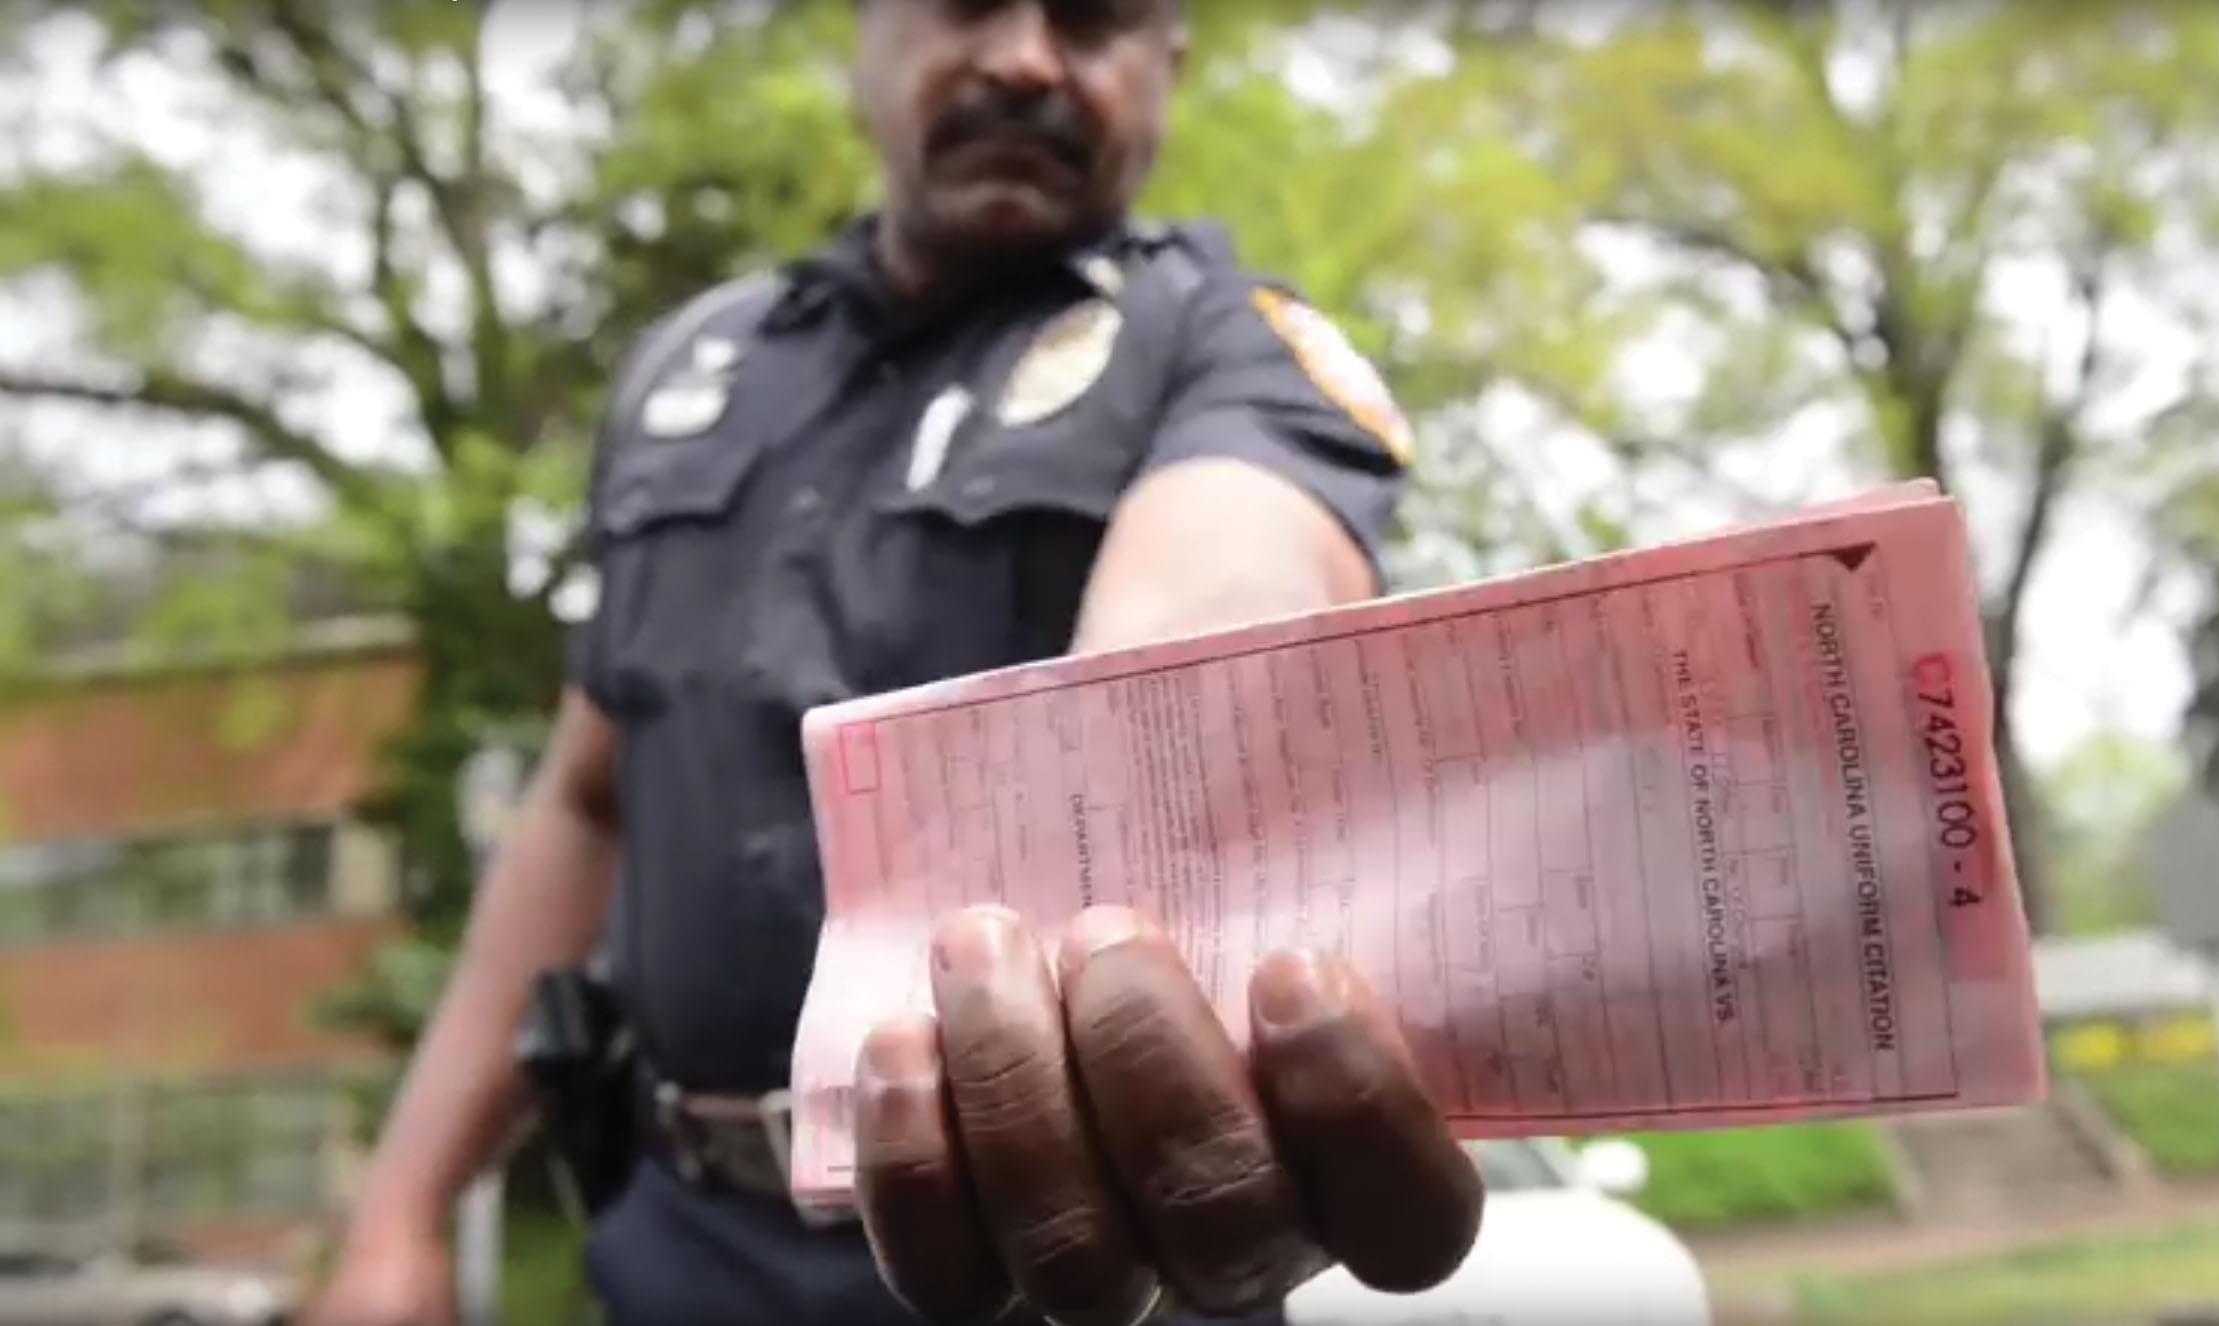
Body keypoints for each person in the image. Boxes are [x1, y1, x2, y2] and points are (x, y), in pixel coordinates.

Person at [305, 2, 1485, 1324]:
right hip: (673, 1256)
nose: (1028, 59)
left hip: (1061, 1260)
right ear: (867, 38)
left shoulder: (1230, 342)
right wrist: (399, 1219)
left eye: (1095, 22)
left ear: (1168, 70)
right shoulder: (690, 369)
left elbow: (1207, 621)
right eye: (969, 4)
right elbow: (587, 799)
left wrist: (1148, 739)